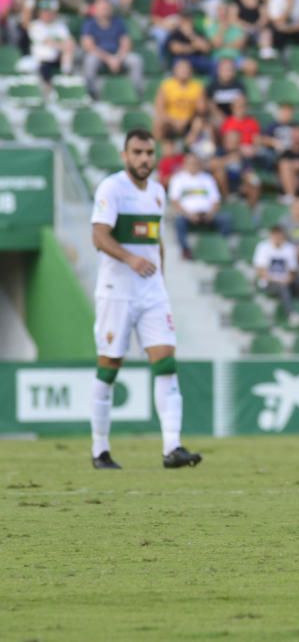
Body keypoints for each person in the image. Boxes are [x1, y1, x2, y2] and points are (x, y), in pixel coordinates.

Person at [89, 129, 202, 470]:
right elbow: (98, 236)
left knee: (166, 361)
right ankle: (100, 449)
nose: (144, 159)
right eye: (137, 152)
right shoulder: (112, 188)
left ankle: (173, 447)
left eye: (149, 153)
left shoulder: (157, 192)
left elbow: (157, 243)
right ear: (125, 155)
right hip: (117, 291)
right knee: (110, 365)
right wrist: (131, 259)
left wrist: (161, 283)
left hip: (151, 292)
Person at [168, 152, 232, 259]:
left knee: (226, 219)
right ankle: (185, 249)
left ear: (200, 165)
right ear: (185, 164)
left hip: (207, 214)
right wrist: (189, 215)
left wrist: (210, 214)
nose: (193, 166)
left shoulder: (207, 178)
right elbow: (175, 202)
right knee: (179, 221)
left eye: (195, 163)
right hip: (187, 215)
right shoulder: (177, 179)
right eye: (190, 163)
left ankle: (220, 246)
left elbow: (216, 200)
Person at [80, 0, 143, 99]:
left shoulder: (118, 22)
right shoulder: (89, 24)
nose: (104, 10)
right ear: (95, 9)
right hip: (100, 56)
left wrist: (118, 58)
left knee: (136, 60)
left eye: (106, 7)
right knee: (90, 60)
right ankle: (92, 94)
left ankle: (135, 93)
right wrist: (109, 59)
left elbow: (126, 43)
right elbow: (89, 46)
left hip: (118, 55)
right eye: (101, 8)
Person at [253, 225, 299, 322]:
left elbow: (292, 271)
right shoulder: (263, 247)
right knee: (282, 287)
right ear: (271, 236)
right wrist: (279, 280)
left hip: (286, 282)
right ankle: (291, 313)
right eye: (276, 236)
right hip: (268, 283)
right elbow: (261, 271)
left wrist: (288, 279)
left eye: (280, 236)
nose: (278, 239)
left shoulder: (289, 248)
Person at [153, 58, 206, 142]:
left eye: (187, 68)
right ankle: (159, 148)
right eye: (181, 68)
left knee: (199, 122)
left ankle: (189, 147)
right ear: (175, 70)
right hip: (170, 120)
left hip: (189, 120)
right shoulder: (166, 85)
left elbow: (201, 110)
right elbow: (159, 109)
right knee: (158, 123)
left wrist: (187, 119)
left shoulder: (197, 87)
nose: (184, 71)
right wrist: (174, 121)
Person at [28, 0, 74, 86]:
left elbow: (69, 40)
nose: (48, 14)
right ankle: (48, 89)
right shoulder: (35, 26)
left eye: (50, 12)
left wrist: (66, 45)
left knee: (69, 49)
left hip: (58, 58)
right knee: (45, 70)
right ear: (40, 13)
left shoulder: (60, 25)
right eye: (45, 12)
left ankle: (66, 75)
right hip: (42, 60)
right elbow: (48, 42)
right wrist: (63, 45)